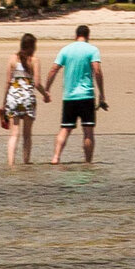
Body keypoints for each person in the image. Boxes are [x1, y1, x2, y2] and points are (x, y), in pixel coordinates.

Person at [46, 20, 107, 165]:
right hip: (86, 96)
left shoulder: (66, 49)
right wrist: (102, 94)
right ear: (88, 36)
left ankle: (55, 158)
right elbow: (97, 71)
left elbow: (54, 69)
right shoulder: (92, 50)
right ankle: (87, 162)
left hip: (69, 96)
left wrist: (47, 89)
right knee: (88, 131)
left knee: (65, 129)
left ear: (76, 35)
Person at [0, 30, 41, 167]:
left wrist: (4, 103)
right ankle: (26, 162)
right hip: (28, 99)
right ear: (32, 46)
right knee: (27, 135)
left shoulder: (12, 59)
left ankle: (11, 164)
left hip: (13, 99)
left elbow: (7, 83)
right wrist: (46, 94)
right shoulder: (34, 61)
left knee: (14, 133)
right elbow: (37, 83)